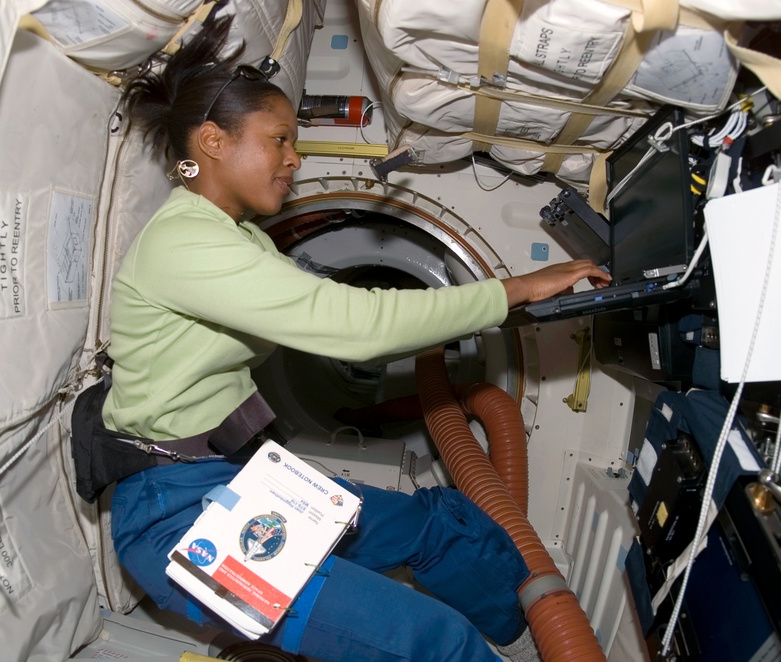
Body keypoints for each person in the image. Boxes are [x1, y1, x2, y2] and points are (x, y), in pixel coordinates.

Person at [101, 12, 611, 662]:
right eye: (279, 140)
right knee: (436, 643)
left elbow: (321, 310)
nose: (294, 158)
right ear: (211, 142)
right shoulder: (184, 242)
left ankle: (528, 634)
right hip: (176, 519)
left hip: (231, 481)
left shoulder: (242, 239)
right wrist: (511, 290)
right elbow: (354, 325)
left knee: (438, 525)